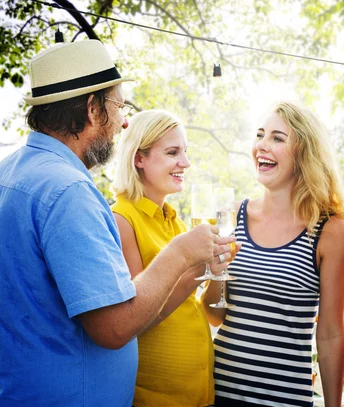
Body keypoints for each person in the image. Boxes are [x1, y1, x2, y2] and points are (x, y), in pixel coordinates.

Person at [0, 40, 231, 406]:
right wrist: (180, 253)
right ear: (93, 110)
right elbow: (113, 327)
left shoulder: (10, 173)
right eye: (118, 105)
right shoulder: (69, 189)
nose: (124, 121)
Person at [202, 101, 344, 406]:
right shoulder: (232, 215)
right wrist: (216, 274)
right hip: (219, 393)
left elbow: (330, 333)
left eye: (277, 138)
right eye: (260, 135)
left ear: (304, 153)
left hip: (287, 399)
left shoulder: (330, 230)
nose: (261, 146)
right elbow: (214, 314)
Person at [111, 109, 225, 406]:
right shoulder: (122, 220)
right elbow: (134, 318)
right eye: (173, 152)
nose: (185, 163)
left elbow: (203, 308)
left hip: (200, 392)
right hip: (156, 397)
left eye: (185, 152)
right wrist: (193, 268)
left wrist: (217, 273)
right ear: (139, 158)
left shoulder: (175, 222)